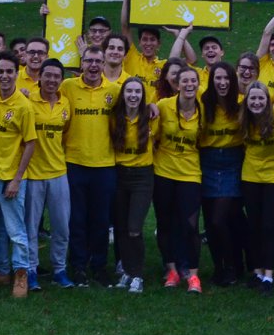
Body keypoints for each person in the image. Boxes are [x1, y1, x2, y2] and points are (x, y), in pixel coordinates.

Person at [0, 52, 37, 297]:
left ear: (17, 73)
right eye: (0, 71)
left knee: (15, 229)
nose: (4, 76)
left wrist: (16, 179)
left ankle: (21, 273)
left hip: (10, 179)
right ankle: (2, 269)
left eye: (9, 71)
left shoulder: (24, 106)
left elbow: (30, 144)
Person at [62, 46, 118, 284]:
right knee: (76, 218)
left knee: (101, 219)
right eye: (89, 61)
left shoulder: (114, 91)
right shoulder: (68, 87)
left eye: (98, 61)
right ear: (81, 63)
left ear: (104, 64)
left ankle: (99, 265)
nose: (93, 66)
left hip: (105, 165)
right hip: (74, 162)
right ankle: (78, 265)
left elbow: (137, 106)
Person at [153, 66, 205, 293]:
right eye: (185, 81)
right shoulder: (164, 106)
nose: (190, 85)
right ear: (177, 84)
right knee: (165, 223)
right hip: (163, 172)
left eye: (194, 81)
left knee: (190, 225)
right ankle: (172, 270)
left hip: (190, 173)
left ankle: (193, 275)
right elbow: (153, 133)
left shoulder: (204, 111)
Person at [197, 61, 247, 287]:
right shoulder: (203, 102)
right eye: (218, 78)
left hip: (232, 162)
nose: (223, 82)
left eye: (227, 78)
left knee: (221, 220)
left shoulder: (241, 103)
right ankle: (221, 267)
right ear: (211, 80)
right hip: (207, 162)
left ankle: (232, 265)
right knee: (211, 220)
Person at [25, 59, 74, 290]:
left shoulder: (66, 103)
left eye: (57, 76)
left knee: (61, 226)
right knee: (31, 226)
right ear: (40, 77)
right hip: (33, 173)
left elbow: (65, 133)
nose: (52, 80)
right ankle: (31, 269)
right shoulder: (28, 100)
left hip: (58, 172)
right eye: (48, 76)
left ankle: (59, 269)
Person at [239, 82, 274, 293]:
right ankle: (257, 271)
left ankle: (269, 274)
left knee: (270, 226)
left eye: (261, 98)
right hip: (250, 177)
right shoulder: (243, 119)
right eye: (253, 99)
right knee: (254, 225)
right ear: (247, 101)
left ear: (268, 101)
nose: (257, 102)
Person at [109, 76, 154, 292]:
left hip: (142, 177)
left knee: (135, 228)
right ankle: (126, 271)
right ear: (123, 95)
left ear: (143, 95)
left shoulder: (152, 117)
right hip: (119, 175)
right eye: (129, 92)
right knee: (122, 228)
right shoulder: (114, 118)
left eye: (137, 92)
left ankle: (138, 275)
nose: (133, 96)